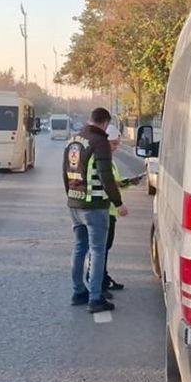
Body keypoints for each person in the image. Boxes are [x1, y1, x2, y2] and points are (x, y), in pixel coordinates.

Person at [63, 107, 127, 313]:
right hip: (95, 205)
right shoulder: (100, 142)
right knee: (98, 250)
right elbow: (105, 175)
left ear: (90, 119)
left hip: (75, 202)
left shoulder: (74, 140)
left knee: (80, 248)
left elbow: (66, 172)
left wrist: (71, 196)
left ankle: (78, 291)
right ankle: (95, 298)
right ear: (106, 123)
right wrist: (118, 203)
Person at [102, 123, 144, 293]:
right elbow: (107, 184)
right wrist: (119, 205)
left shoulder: (108, 160)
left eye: (117, 143)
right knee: (101, 249)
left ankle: (102, 278)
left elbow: (114, 183)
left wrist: (129, 182)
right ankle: (99, 282)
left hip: (109, 211)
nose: (116, 147)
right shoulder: (101, 159)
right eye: (113, 143)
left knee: (104, 248)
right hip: (105, 210)